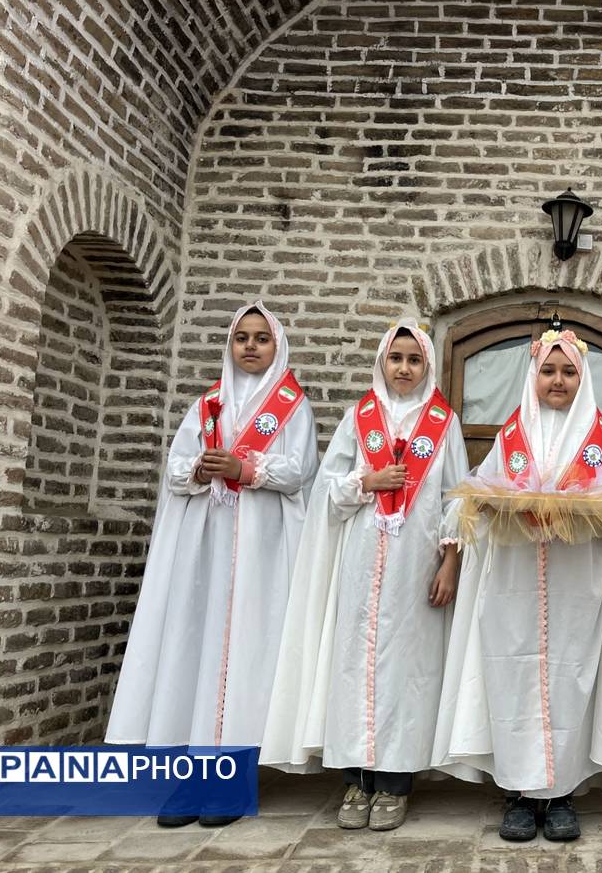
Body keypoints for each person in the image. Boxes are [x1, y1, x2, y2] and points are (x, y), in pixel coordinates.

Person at [432, 327, 602, 843]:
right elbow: (473, 498)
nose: (558, 380)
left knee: (569, 680)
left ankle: (560, 794)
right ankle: (517, 791)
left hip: (576, 586)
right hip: (513, 584)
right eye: (549, 371)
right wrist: (498, 503)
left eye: (569, 371)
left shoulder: (601, 442)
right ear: (533, 375)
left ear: (584, 378)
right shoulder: (512, 437)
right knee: (512, 679)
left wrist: (588, 510)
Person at [106, 301, 319, 827]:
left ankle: (234, 776)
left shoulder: (292, 407)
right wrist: (201, 470)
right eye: (241, 337)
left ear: (277, 346)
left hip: (262, 554)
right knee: (196, 654)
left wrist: (245, 467)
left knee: (248, 656)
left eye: (261, 338)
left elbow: (300, 470)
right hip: (206, 551)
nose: (250, 346)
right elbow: (176, 466)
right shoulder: (207, 406)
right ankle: (191, 774)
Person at [260, 320, 466, 833]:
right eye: (396, 358)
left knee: (406, 672)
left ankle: (395, 781)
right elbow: (327, 489)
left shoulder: (444, 423)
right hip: (359, 561)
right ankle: (356, 778)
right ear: (381, 362)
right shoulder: (360, 418)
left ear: (427, 366)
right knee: (353, 666)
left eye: (414, 360)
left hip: (416, 565)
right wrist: (366, 481)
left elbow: (456, 498)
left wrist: (450, 561)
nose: (404, 368)